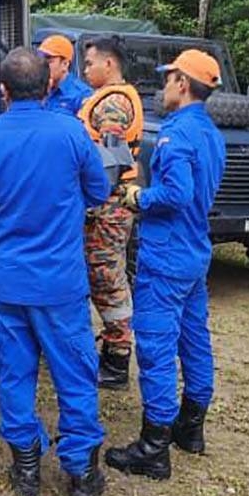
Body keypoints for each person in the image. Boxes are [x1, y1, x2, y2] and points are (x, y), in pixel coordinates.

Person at [0, 47, 112, 496]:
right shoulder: (71, 132)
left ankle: (26, 467)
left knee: (14, 373)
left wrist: (3, 204)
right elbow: (99, 190)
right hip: (61, 283)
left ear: (2, 90)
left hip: (10, 283)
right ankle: (82, 473)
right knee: (76, 373)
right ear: (48, 86)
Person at [104, 49, 226, 481]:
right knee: (195, 339)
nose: (162, 86)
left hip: (167, 255)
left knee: (156, 348)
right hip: (194, 251)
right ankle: (191, 429)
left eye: (168, 77)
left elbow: (176, 195)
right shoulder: (211, 133)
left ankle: (153, 449)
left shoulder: (176, 136)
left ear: (182, 83)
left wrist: (139, 198)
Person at [77, 37, 144, 390]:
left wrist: (91, 200)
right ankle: (112, 352)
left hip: (107, 208)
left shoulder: (114, 103)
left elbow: (110, 162)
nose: (86, 70)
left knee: (107, 280)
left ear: (109, 64)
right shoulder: (106, 98)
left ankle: (117, 361)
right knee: (103, 277)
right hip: (106, 207)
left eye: (90, 63)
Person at [38, 34, 93, 117]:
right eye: (40, 59)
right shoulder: (36, 90)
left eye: (49, 60)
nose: (43, 64)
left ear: (65, 64)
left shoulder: (81, 94)